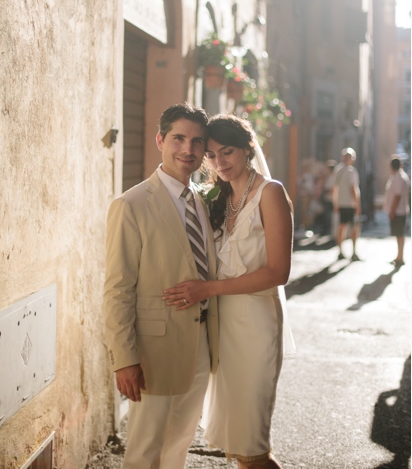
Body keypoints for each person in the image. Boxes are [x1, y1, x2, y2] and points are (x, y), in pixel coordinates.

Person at [163, 114, 292, 469]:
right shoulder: (216, 198)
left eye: (228, 152)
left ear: (248, 150)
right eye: (213, 155)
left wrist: (208, 288)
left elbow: (278, 272)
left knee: (252, 446)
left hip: (255, 326)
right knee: (236, 445)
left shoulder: (271, 193)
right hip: (221, 329)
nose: (220, 162)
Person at [103, 103, 219, 469]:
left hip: (201, 343)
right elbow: (118, 288)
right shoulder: (131, 204)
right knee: (145, 448)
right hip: (153, 348)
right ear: (160, 140)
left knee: (179, 443)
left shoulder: (199, 201)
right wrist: (125, 359)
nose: (188, 149)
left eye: (197, 142)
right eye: (178, 138)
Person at [332, 147, 361, 260]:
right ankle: (353, 252)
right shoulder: (351, 171)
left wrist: (335, 203)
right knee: (354, 228)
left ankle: (340, 251)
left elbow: (334, 188)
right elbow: (353, 188)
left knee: (341, 227)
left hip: (341, 203)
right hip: (350, 204)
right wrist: (357, 204)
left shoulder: (338, 170)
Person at [384, 156, 410, 266]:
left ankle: (400, 257)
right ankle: (399, 256)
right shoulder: (398, 176)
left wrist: (392, 211)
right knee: (399, 234)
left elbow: (397, 196)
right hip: (399, 210)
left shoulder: (399, 177)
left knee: (400, 234)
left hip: (399, 211)